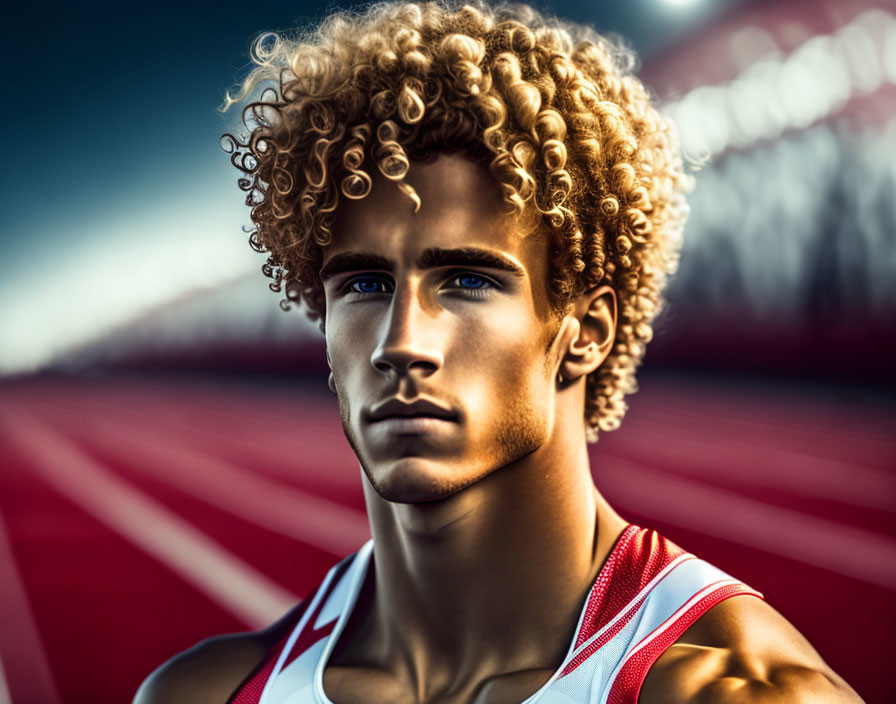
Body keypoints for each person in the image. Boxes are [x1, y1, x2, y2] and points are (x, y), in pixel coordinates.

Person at [135, 2, 862, 702]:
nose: (402, 344)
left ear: (586, 333)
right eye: (364, 283)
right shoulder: (204, 693)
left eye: (468, 281)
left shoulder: (736, 694)